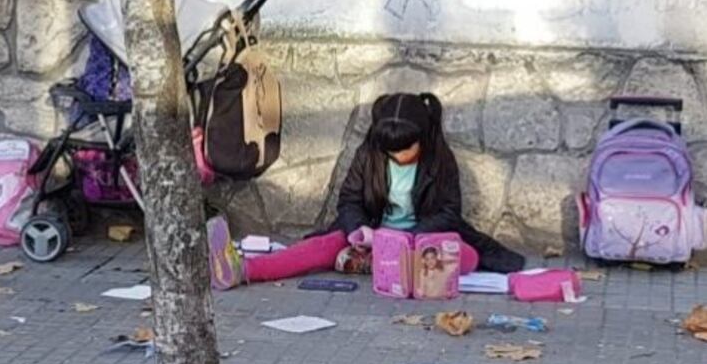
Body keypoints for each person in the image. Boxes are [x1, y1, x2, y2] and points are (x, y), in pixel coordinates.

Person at [208, 92, 525, 290]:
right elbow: (349, 201)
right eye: (392, 152)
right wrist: (360, 230)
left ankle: (384, 267)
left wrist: (409, 237)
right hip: (372, 239)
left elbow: (448, 212)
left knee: (465, 255)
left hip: (421, 243)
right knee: (324, 245)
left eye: (406, 150)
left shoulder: (441, 160)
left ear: (424, 139)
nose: (399, 157)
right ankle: (243, 269)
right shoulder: (369, 154)